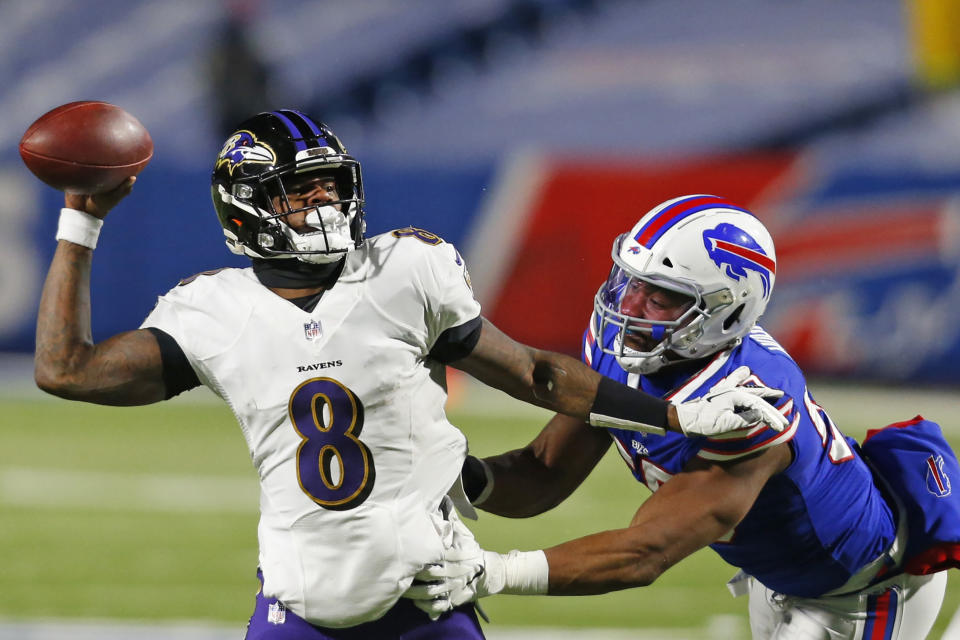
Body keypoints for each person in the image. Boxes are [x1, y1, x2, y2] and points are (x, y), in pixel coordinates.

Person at [32, 114, 787, 640]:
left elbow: (536, 376)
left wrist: (677, 419)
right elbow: (65, 370)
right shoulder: (211, 310)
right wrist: (81, 222)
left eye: (329, 183)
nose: (324, 199)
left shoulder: (404, 268)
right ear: (248, 208)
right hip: (298, 605)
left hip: (428, 597)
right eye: (301, 190)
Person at [406, 194, 958, 639]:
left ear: (727, 312)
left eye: (661, 297)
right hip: (782, 575)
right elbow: (543, 470)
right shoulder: (622, 340)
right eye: (631, 281)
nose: (631, 306)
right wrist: (456, 478)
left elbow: (645, 551)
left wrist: (495, 572)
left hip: (861, 593)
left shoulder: (752, 404)